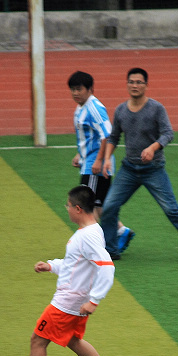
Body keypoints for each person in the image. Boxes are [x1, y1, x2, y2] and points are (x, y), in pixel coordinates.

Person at [5, 185, 122, 356]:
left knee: (38, 340)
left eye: (68, 205)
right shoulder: (91, 231)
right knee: (73, 340)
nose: (66, 209)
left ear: (78, 208)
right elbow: (75, 265)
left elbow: (107, 267)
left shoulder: (87, 236)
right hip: (77, 299)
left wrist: (94, 301)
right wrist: (50, 266)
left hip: (68, 301)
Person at [98, 67, 178, 262]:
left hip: (153, 170)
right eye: (131, 82)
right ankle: (111, 249)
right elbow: (114, 137)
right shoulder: (121, 110)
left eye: (139, 82)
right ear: (127, 84)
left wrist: (153, 148)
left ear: (146, 85)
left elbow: (168, 133)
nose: (135, 85)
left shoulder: (156, 108)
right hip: (129, 169)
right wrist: (107, 158)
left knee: (171, 208)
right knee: (109, 206)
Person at [67, 70, 135, 254]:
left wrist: (98, 161)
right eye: (73, 89)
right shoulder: (81, 107)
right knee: (99, 205)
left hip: (95, 167)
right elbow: (91, 137)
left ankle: (92, 246)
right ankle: (121, 231)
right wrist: (79, 155)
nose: (75, 93)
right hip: (90, 162)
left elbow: (107, 135)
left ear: (90, 89)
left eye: (79, 89)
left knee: (86, 207)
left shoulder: (94, 108)